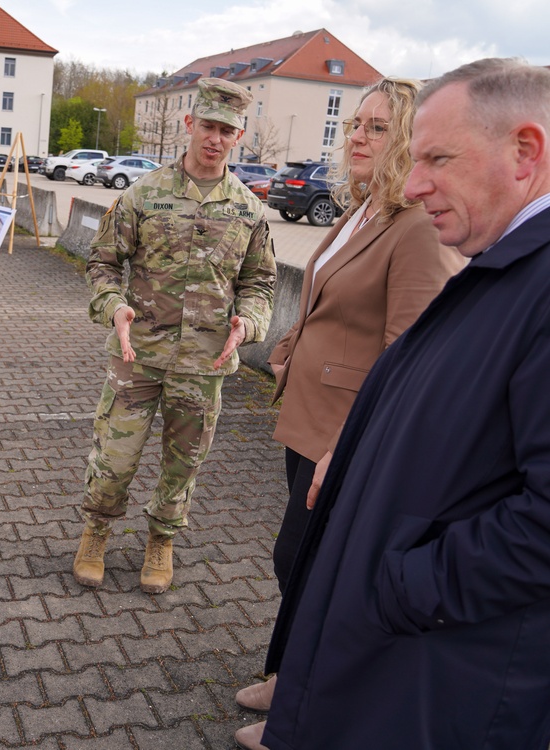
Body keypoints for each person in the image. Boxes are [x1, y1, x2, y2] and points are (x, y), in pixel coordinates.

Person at [256, 58, 550, 749]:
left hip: (447, 662)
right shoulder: (503, 264)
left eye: (438, 159)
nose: (415, 184)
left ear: (526, 151)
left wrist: (403, 586)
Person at [231, 78, 465, 749]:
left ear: (411, 140)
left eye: (376, 127)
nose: (356, 136)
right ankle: (286, 673)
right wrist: (291, 347)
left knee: (306, 564)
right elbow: (328, 301)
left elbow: (408, 348)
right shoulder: (363, 210)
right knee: (299, 564)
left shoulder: (415, 226)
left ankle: (305, 712)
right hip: (306, 414)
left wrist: (360, 442)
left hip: (347, 431)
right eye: (355, 124)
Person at [73, 77, 277, 595]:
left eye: (227, 130)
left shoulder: (249, 210)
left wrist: (248, 323)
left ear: (240, 135)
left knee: (183, 465)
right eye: (208, 125)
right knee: (115, 459)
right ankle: (96, 531)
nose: (215, 137)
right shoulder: (142, 195)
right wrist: (114, 306)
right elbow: (102, 262)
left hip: (203, 364)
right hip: (136, 356)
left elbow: (260, 282)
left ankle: (161, 540)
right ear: (189, 125)